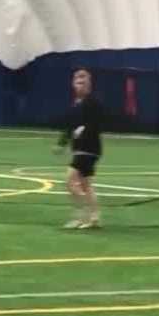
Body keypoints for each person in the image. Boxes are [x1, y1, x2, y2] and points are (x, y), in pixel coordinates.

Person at [55, 68, 103, 229]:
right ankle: (94, 217)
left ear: (88, 84)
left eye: (83, 82)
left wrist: (84, 128)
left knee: (70, 181)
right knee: (86, 185)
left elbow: (97, 122)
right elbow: (69, 127)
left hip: (88, 149)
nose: (80, 85)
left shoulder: (93, 102)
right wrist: (61, 144)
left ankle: (81, 216)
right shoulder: (76, 104)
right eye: (77, 82)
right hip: (80, 149)